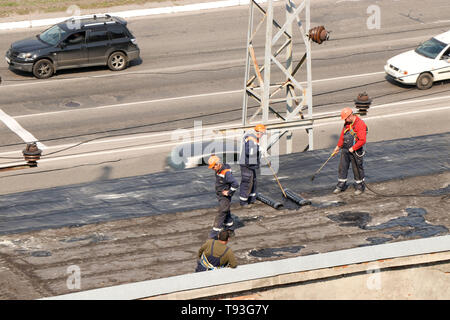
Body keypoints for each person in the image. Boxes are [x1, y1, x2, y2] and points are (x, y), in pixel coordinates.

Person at [333, 107, 368, 195]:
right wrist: (338, 146)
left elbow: (362, 140)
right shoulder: (347, 123)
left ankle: (360, 186)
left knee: (356, 168)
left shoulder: (360, 124)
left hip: (355, 151)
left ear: (350, 116)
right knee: (342, 167)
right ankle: (341, 184)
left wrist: (354, 148)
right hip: (345, 149)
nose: (345, 120)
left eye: (346, 118)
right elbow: (342, 135)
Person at [208, 155, 239, 239]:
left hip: (224, 197)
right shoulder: (219, 170)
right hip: (220, 195)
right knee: (226, 211)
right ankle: (230, 229)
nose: (212, 168)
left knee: (222, 213)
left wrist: (229, 192)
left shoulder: (226, 173)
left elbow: (235, 184)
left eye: (214, 166)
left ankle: (213, 234)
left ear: (219, 164)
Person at [239, 124, 266, 206]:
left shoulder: (254, 138)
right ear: (259, 132)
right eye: (262, 133)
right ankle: (243, 202)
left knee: (254, 181)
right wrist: (258, 149)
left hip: (251, 164)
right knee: (247, 182)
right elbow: (249, 152)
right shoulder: (251, 139)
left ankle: (252, 199)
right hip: (246, 164)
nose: (262, 135)